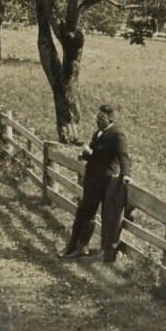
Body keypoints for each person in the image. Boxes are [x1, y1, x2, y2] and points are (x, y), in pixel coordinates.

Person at [60, 102, 131, 263]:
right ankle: (76, 246)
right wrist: (85, 154)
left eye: (101, 118)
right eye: (97, 117)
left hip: (104, 181)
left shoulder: (117, 135)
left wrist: (125, 174)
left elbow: (123, 156)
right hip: (92, 180)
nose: (98, 120)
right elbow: (95, 155)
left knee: (91, 214)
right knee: (84, 213)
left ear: (110, 119)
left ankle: (80, 247)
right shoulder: (98, 133)